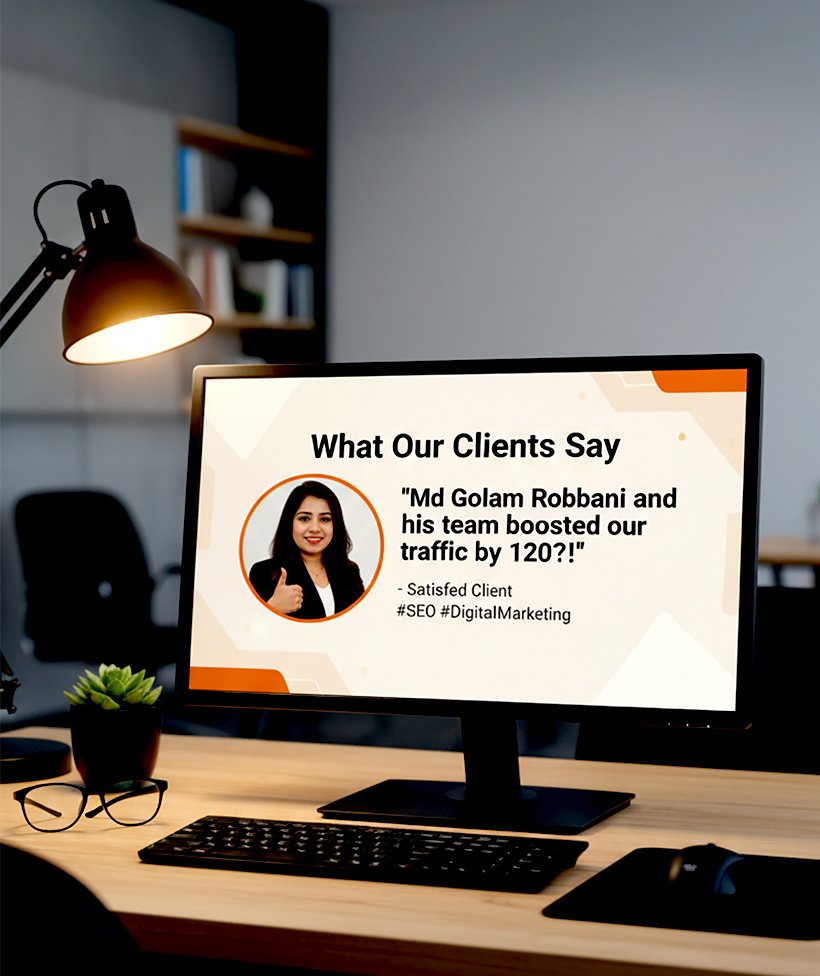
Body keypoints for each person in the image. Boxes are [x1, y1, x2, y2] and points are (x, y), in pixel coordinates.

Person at [249, 480, 365, 619]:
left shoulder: (349, 572)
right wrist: (273, 607)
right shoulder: (264, 573)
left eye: (325, 519)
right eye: (304, 518)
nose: (315, 528)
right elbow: (246, 633)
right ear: (289, 523)